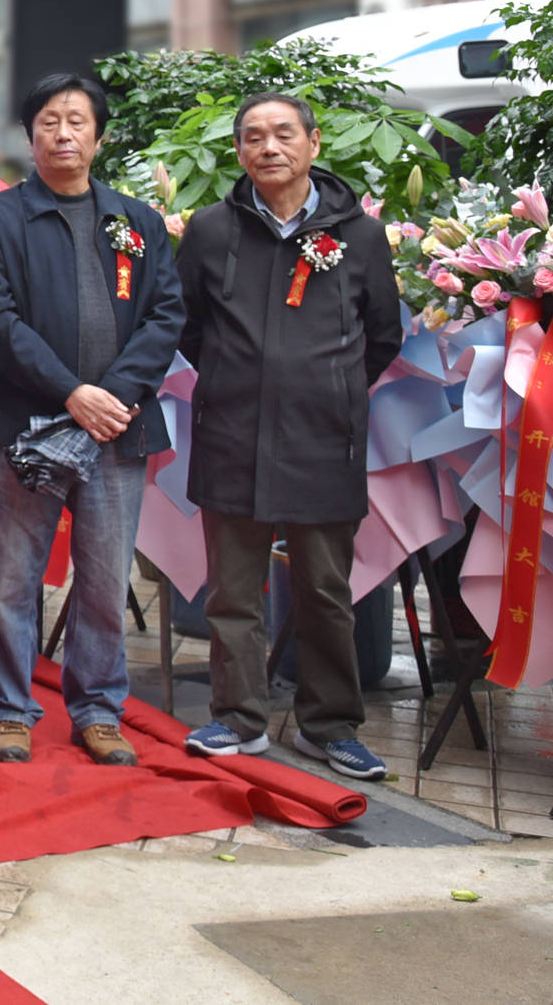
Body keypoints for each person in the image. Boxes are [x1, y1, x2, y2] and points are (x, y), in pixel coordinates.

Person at [177, 93, 398, 781]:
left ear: (313, 143)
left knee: (325, 591)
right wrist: (236, 381)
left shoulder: (357, 234)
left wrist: (324, 391)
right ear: (238, 151)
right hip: (233, 434)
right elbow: (188, 324)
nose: (268, 147)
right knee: (233, 591)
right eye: (252, 137)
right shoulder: (211, 230)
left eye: (282, 134)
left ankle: (329, 725)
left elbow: (383, 336)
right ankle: (238, 717)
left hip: (322, 440)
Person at [0, 72, 184, 766]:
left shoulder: (138, 221)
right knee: (13, 577)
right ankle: (10, 708)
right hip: (29, 427)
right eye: (49, 123)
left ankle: (97, 707)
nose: (63, 134)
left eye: (76, 121)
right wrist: (71, 392)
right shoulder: (0, 218)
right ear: (30, 136)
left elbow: (165, 314)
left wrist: (111, 394)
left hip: (116, 428)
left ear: (99, 134)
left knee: (103, 574)